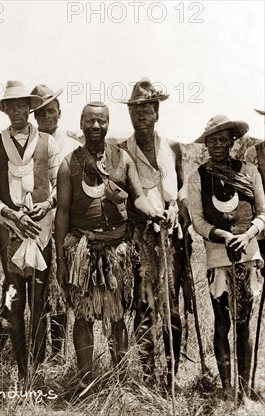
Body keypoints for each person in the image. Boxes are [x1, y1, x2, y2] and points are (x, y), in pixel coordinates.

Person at [55, 101, 168, 388]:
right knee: (83, 317)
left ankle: (118, 381)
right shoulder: (69, 163)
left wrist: (156, 212)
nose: (96, 126)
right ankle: (85, 380)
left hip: (118, 249)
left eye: (101, 121)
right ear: (81, 123)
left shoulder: (123, 158)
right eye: (90, 121)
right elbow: (63, 213)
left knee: (117, 316)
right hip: (83, 250)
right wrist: (61, 259)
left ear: (108, 123)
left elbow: (138, 198)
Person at [0, 80, 58, 383]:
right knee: (14, 297)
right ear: (6, 110)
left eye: (21, 106)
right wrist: (10, 214)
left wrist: (46, 205)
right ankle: (21, 365)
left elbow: (56, 186)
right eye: (10, 106)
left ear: (30, 108)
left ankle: (35, 370)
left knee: (39, 299)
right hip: (10, 230)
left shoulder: (47, 143)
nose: (16, 111)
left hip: (41, 229)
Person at [118, 78, 190, 387]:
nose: (141, 116)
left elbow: (183, 186)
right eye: (135, 111)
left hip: (171, 238)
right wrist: (147, 215)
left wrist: (177, 208)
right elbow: (123, 196)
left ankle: (170, 375)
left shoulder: (172, 147)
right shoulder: (122, 150)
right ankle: (148, 376)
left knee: (171, 307)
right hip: (139, 236)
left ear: (157, 112)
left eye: (146, 110)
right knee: (144, 306)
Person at [187, 115, 264, 399]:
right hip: (218, 258)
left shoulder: (250, 171)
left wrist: (247, 235)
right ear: (206, 143)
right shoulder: (198, 177)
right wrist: (223, 235)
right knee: (222, 322)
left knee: (244, 324)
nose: (217, 145)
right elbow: (198, 221)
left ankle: (245, 388)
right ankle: (227, 387)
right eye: (212, 139)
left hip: (248, 255)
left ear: (233, 142)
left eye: (223, 139)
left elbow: (262, 213)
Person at [31, 84, 81, 360]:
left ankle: (58, 352)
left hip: (66, 226)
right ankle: (35, 350)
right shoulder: (31, 144)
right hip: (36, 226)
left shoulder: (73, 146)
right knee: (39, 288)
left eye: (50, 112)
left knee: (62, 288)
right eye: (40, 114)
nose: (45, 118)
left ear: (59, 112)